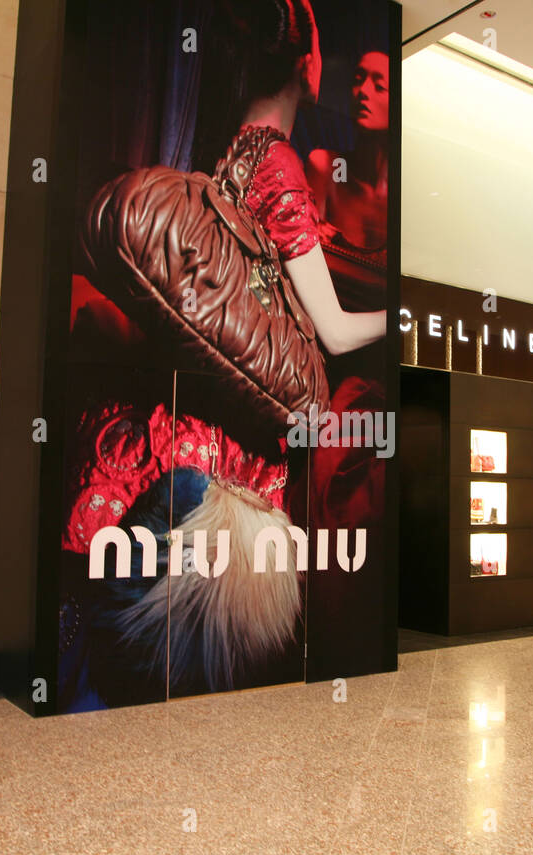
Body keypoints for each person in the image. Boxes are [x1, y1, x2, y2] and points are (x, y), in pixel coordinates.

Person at [61, 0, 386, 707]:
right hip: (236, 465)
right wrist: (402, 321)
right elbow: (331, 332)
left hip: (176, 436)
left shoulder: (233, 148)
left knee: (127, 665)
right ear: (307, 64)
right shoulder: (279, 165)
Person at [305, 50, 388, 313]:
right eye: (358, 79)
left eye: (379, 86)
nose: (363, 91)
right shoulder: (324, 167)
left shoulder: (407, 203)